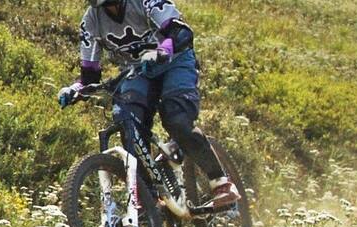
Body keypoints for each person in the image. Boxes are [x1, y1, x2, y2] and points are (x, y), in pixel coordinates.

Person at [57, 0, 240, 208]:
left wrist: (163, 50)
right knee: (128, 121)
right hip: (138, 71)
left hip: (176, 62)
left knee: (177, 119)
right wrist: (75, 89)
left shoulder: (145, 2)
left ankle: (221, 184)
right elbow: (89, 76)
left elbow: (181, 32)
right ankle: (148, 199)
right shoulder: (90, 22)